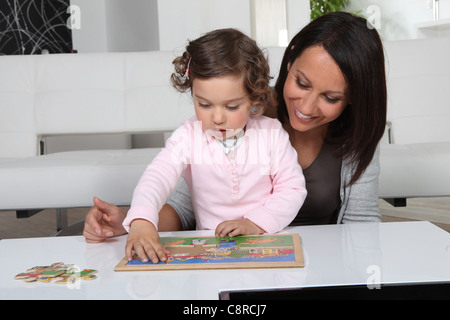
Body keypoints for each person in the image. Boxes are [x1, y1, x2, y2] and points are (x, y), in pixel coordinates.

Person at [84, 12, 386, 245]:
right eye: (302, 83)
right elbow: (180, 200)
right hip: (222, 254)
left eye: (330, 98)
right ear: (291, 57)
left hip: (310, 263)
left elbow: (362, 230)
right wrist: (134, 221)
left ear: (352, 99)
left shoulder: (285, 134)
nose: (306, 107)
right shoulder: (235, 114)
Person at [121, 28, 307, 263]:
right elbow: (157, 176)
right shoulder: (188, 135)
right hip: (209, 251)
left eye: (231, 107)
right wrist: (142, 220)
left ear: (253, 98)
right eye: (205, 104)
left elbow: (292, 189)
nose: (217, 118)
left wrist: (256, 222)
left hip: (265, 242)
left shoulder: (272, 135)